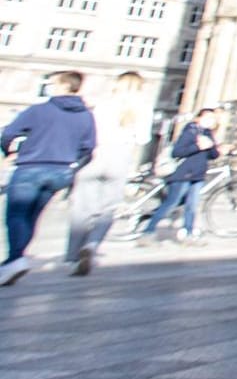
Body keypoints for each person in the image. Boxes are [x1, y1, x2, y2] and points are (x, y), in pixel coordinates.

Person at [1, 71, 98, 285]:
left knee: (16, 216)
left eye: (53, 84)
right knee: (32, 215)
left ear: (64, 86)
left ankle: (15, 259)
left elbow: (8, 133)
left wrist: (9, 152)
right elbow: (89, 149)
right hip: (61, 172)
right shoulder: (86, 115)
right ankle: (12, 261)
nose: (49, 87)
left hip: (31, 167)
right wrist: (73, 167)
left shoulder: (39, 110)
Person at [66, 71, 146, 276]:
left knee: (82, 209)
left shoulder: (104, 104)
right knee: (108, 209)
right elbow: (143, 139)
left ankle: (73, 256)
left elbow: (88, 132)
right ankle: (92, 245)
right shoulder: (142, 106)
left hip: (96, 154)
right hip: (121, 158)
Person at [141, 107, 230, 247]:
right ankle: (147, 233)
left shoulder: (207, 133)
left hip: (198, 175)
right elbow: (177, 152)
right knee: (171, 204)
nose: (210, 121)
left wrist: (214, 147)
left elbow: (213, 155)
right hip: (183, 174)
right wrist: (197, 146)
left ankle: (188, 235)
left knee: (192, 206)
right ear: (198, 118)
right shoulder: (190, 131)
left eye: (212, 119)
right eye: (207, 118)